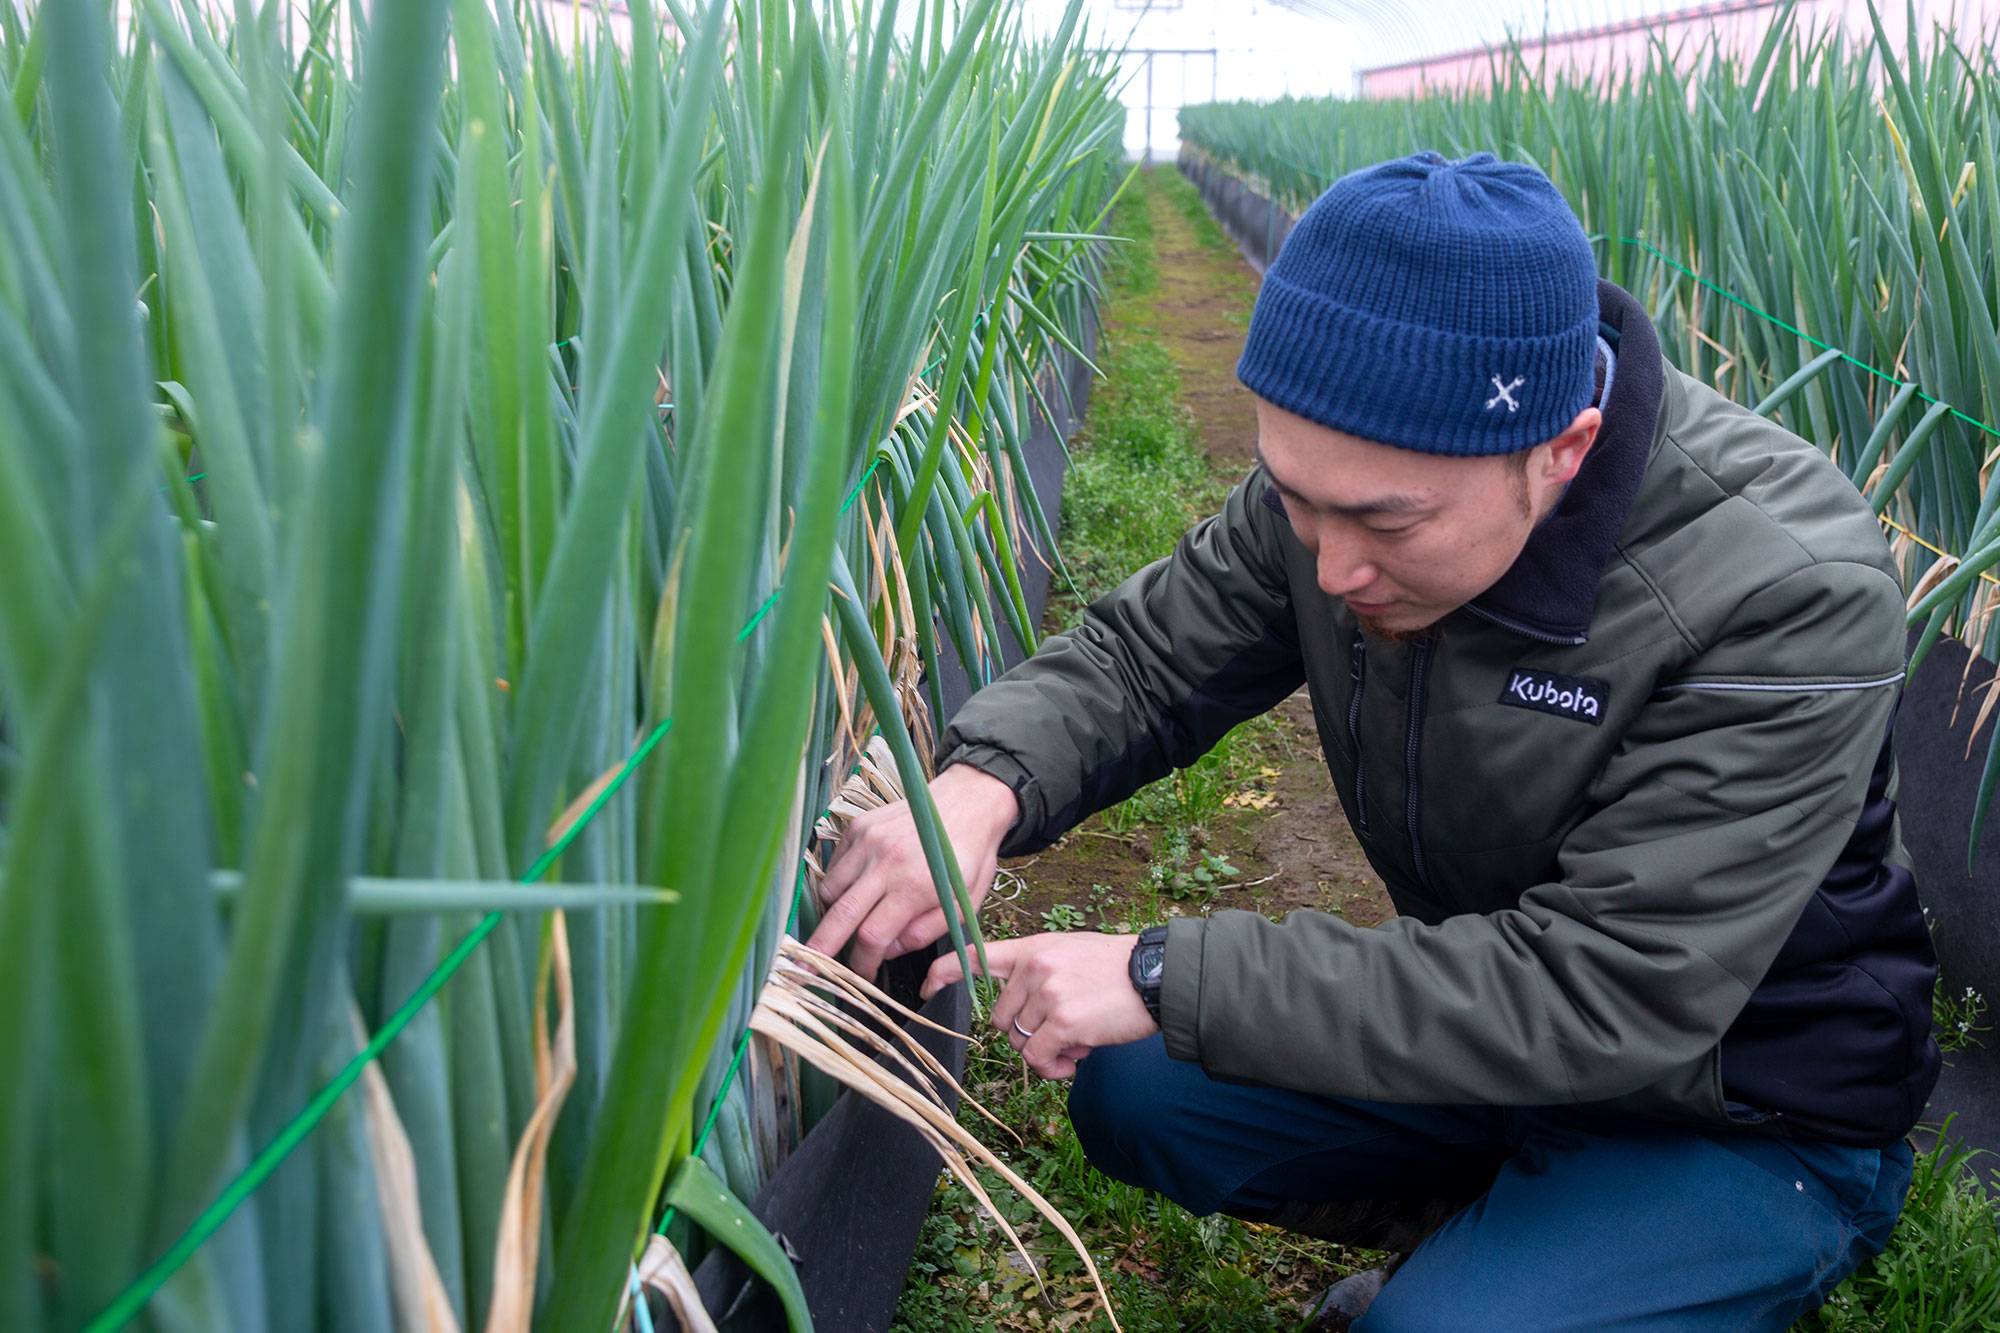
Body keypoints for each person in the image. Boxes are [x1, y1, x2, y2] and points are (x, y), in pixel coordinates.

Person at [806, 152, 1941, 1331]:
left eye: (1384, 524)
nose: (1331, 566)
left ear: (1559, 450)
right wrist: (982, 783)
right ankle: (1510, 1221)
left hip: (1735, 1098)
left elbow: (1605, 990)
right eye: (1296, 502)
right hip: (1495, 1042)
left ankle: (1689, 1238)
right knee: (1136, 1091)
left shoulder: (1781, 585)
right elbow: (1149, 657)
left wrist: (1162, 968)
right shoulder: (1349, 472)